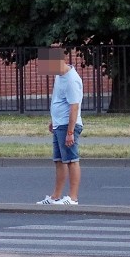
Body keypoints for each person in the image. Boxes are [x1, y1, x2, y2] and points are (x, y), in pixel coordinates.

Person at [35, 47, 83, 205]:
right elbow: (59, 101)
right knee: (59, 160)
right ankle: (55, 196)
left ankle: (73, 198)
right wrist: (53, 120)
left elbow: (74, 107)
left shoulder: (71, 79)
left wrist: (70, 132)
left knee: (71, 160)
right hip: (59, 124)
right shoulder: (59, 76)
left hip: (67, 126)